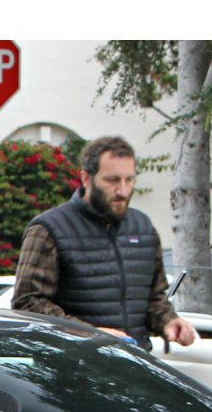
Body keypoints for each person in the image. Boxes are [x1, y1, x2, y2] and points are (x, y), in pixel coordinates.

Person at [11, 135, 196, 350]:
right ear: (86, 179)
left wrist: (168, 321)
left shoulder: (143, 227)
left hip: (136, 364)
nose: (123, 190)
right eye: (112, 180)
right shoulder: (49, 229)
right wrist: (89, 334)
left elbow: (153, 297)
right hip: (72, 367)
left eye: (129, 180)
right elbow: (28, 303)